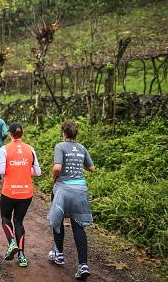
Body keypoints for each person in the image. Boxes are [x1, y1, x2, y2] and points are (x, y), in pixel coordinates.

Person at [47, 120, 95, 281]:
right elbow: (91, 168)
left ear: (63, 133)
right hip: (80, 190)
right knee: (78, 225)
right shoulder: (82, 148)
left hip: (63, 189)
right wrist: (77, 165)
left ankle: (59, 254)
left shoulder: (60, 146)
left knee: (57, 220)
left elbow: (57, 167)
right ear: (76, 134)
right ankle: (83, 265)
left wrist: (54, 178)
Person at [0, 122, 41, 267]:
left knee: (5, 218)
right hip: (26, 193)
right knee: (19, 221)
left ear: (10, 134)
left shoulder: (4, 149)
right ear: (22, 133)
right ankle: (22, 256)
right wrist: (24, 169)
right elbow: (38, 172)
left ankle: (11, 243)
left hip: (9, 191)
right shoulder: (31, 149)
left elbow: (1, 171)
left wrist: (13, 167)